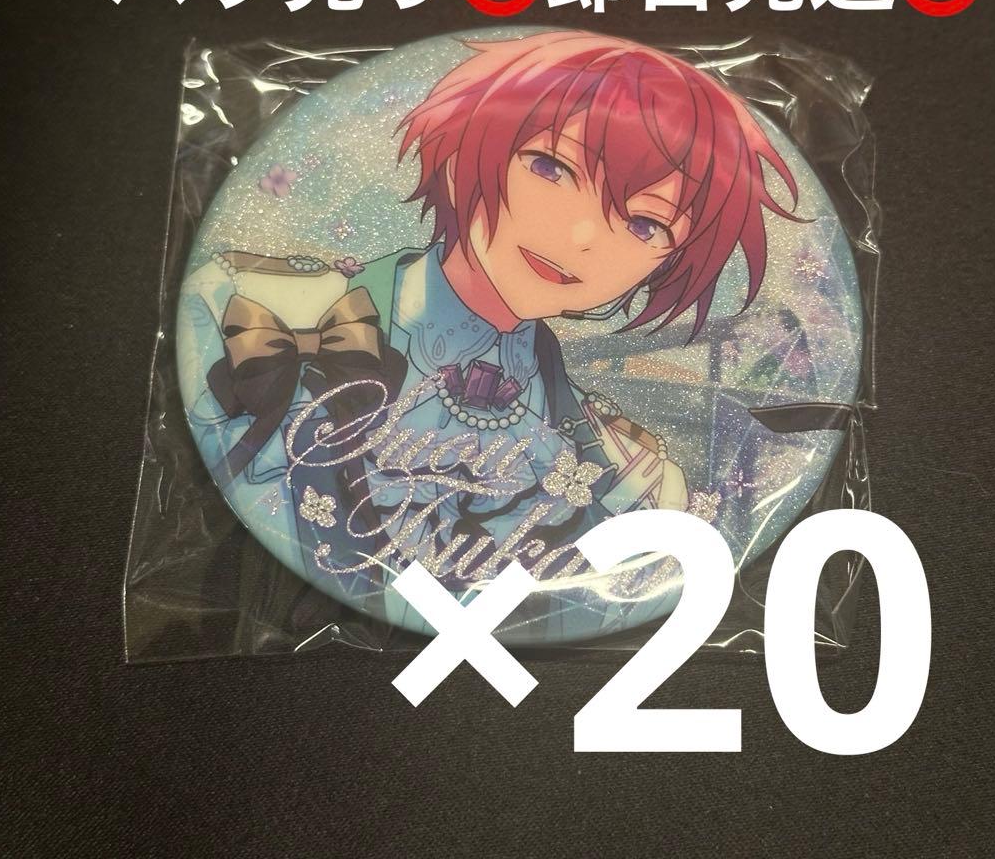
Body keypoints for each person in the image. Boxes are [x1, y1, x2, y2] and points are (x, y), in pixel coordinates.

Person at [179, 31, 799, 632]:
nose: (582, 236)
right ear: (462, 153)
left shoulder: (595, 437)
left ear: (668, 264)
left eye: (644, 226)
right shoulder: (261, 310)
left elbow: (613, 582)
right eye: (550, 167)